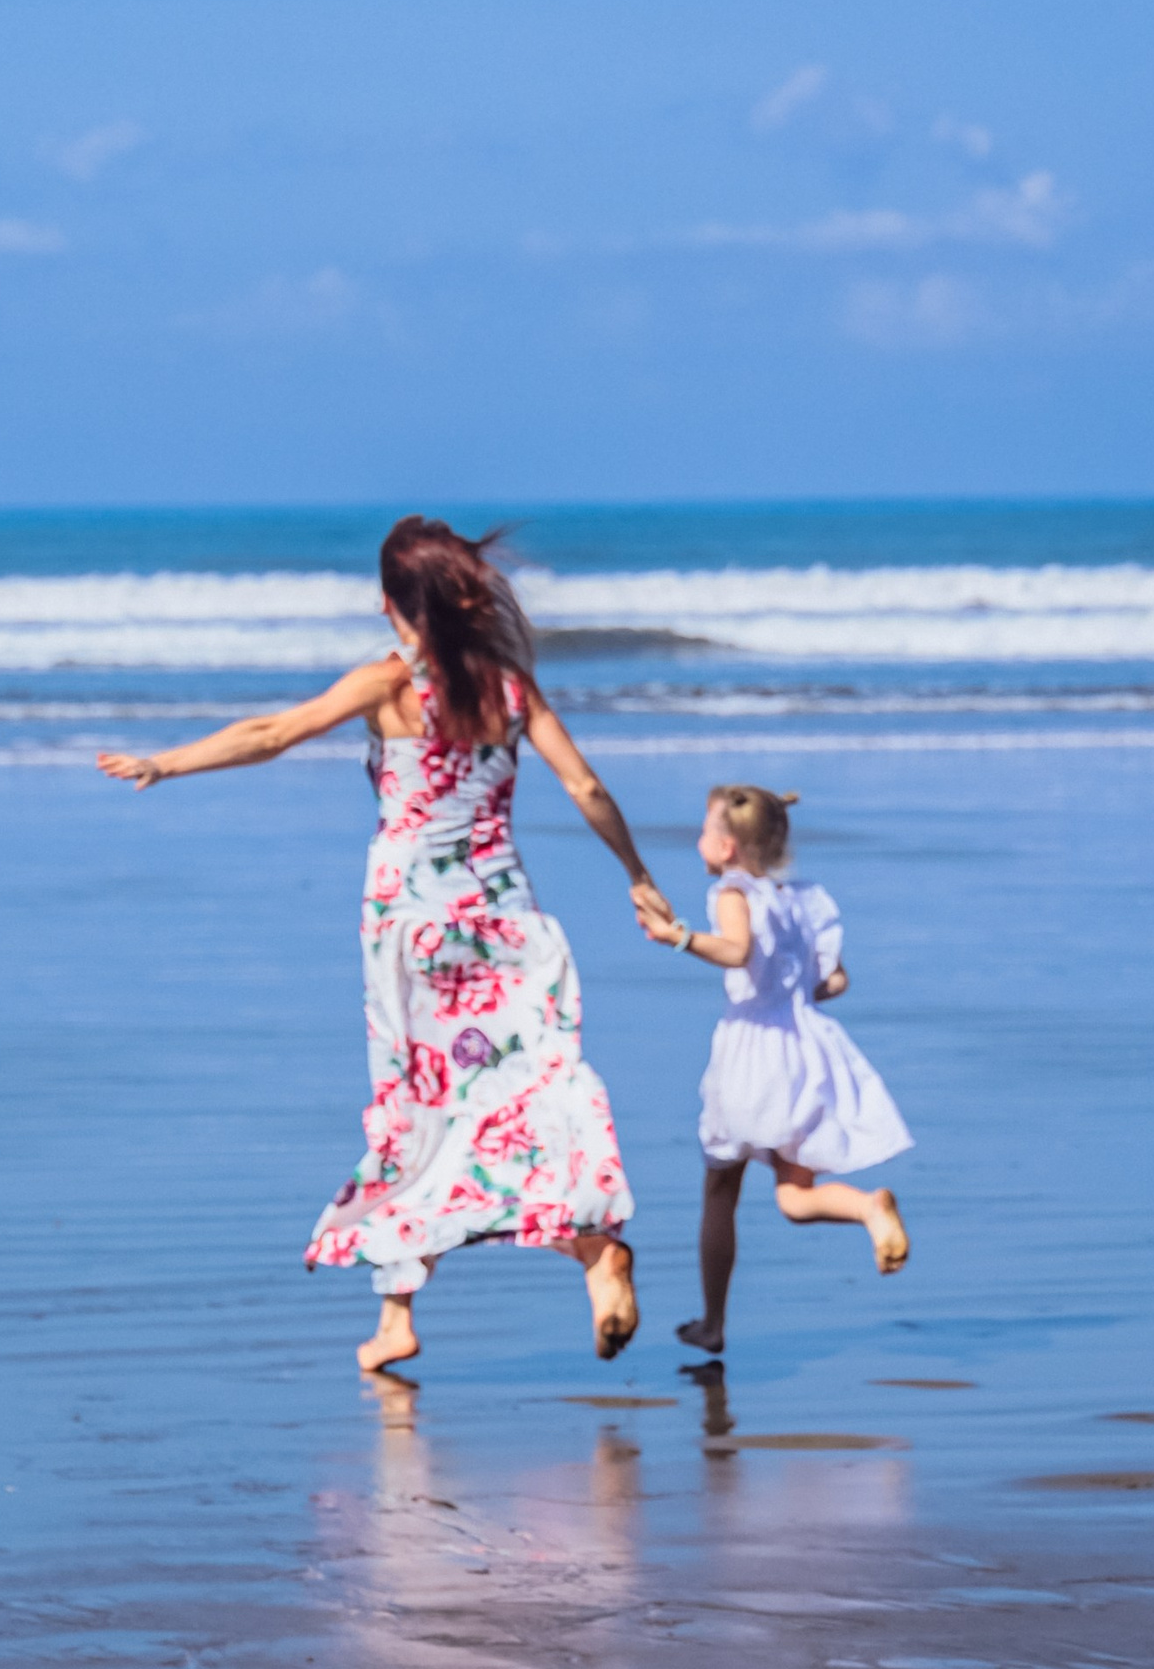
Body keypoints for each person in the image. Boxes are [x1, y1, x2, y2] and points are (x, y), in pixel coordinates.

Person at [97, 516, 665, 1375]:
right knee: (522, 1092)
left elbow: (273, 734)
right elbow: (584, 785)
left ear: (395, 604)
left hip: (411, 928)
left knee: (414, 1102)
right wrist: (637, 874)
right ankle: (577, 1256)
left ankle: (415, 1309)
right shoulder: (511, 687)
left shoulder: (388, 684)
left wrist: (165, 763)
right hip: (506, 918)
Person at [635, 784, 911, 1359]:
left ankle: (713, 1322)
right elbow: (835, 981)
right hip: (805, 1048)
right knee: (793, 1197)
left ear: (729, 847)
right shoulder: (799, 900)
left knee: (721, 1187)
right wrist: (792, 994)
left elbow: (736, 952)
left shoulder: (731, 892)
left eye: (705, 831)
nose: (698, 841)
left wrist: (677, 937)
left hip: (752, 1054)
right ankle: (867, 1207)